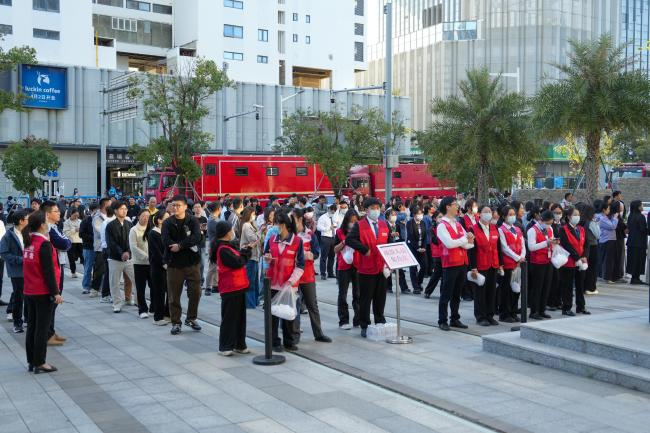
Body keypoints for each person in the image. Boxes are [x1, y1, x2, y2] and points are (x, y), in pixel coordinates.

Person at [23, 211, 64, 374]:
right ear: (41, 225)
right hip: (43, 291)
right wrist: (56, 293)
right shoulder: (44, 244)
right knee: (42, 328)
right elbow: (48, 271)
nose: (48, 223)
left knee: (32, 326)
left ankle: (31, 360)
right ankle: (40, 362)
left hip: (30, 290)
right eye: (46, 221)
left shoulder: (29, 241)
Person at [346, 198, 390, 338]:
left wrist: (390, 263)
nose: (376, 210)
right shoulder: (360, 225)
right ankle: (364, 324)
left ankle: (380, 320)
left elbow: (389, 243)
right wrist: (364, 250)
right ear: (366, 210)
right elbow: (349, 240)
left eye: (377, 207)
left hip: (381, 267)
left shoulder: (384, 224)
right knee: (365, 298)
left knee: (380, 297)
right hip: (366, 268)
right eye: (373, 208)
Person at [162, 195, 203, 335]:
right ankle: (176, 322)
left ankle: (191, 318)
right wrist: (178, 245)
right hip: (174, 264)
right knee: (174, 294)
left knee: (196, 292)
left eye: (178, 205)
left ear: (185, 206)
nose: (175, 208)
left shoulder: (193, 220)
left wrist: (180, 246)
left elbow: (197, 237)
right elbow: (165, 239)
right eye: (173, 205)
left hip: (192, 262)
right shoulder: (167, 222)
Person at [263, 211, 304, 351]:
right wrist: (267, 258)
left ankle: (289, 341)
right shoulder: (272, 239)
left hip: (289, 284)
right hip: (272, 283)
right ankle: (274, 342)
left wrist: (292, 281)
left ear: (284, 225)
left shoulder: (297, 241)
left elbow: (300, 264)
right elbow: (266, 254)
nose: (275, 227)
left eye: (277, 224)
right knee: (272, 316)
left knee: (288, 315)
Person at [211, 220, 251, 356]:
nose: (233, 232)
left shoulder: (228, 246)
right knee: (229, 319)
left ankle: (239, 344)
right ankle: (225, 346)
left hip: (238, 287)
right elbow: (238, 262)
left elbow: (238, 258)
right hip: (230, 288)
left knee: (240, 319)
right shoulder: (223, 249)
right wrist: (247, 252)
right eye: (231, 229)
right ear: (227, 232)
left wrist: (245, 250)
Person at [293, 208, 331, 343]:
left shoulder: (310, 234)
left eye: (293, 219)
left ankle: (318, 333)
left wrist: (311, 255)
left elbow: (316, 252)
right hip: (293, 276)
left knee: (312, 305)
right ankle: (294, 335)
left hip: (307, 275)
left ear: (300, 219)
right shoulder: (289, 235)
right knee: (295, 305)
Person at [436, 197, 473, 330]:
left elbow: (468, 244)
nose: (457, 207)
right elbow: (449, 244)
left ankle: (455, 318)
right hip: (450, 263)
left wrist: (467, 240)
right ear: (447, 207)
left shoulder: (457, 224)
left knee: (457, 293)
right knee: (446, 293)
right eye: (455, 204)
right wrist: (465, 239)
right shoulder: (442, 225)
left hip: (462, 262)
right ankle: (442, 320)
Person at [42, 201, 71, 347]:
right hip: (53, 266)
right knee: (52, 299)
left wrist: (66, 241)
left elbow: (66, 242)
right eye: (56, 211)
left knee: (55, 300)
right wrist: (66, 241)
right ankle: (47, 334)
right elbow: (64, 243)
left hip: (59, 263)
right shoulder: (47, 229)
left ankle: (51, 332)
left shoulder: (55, 227)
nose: (59, 213)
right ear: (47, 214)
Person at [468, 205, 501, 326]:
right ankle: (481, 316)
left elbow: (498, 247)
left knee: (491, 291)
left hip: (493, 264)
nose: (488, 213)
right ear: (480, 214)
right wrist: (473, 267)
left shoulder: (494, 227)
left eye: (490, 211)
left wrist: (500, 264)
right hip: (480, 265)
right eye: (485, 211)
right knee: (480, 292)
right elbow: (471, 250)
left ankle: (489, 315)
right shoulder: (473, 229)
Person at [0, 210, 29, 333]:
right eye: (27, 219)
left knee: (29, 296)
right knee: (19, 296)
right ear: (21, 221)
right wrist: (20, 259)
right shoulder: (8, 236)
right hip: (17, 271)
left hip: (30, 269)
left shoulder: (29, 233)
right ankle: (17, 323)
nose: (29, 221)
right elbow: (4, 253)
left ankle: (28, 319)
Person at [498, 205, 526, 323]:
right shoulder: (501, 229)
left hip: (519, 264)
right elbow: (504, 248)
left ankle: (513, 311)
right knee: (506, 290)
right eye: (510, 215)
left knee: (516, 289)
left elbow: (522, 244)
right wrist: (517, 258)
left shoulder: (517, 229)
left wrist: (522, 256)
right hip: (508, 263)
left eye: (513, 214)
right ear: (504, 216)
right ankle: (505, 313)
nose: (512, 216)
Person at [106, 201, 135, 313]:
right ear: (115, 211)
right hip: (115, 258)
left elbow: (131, 240)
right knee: (115, 282)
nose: (124, 211)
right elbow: (111, 243)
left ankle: (130, 299)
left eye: (125, 209)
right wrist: (121, 253)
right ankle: (117, 303)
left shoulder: (129, 224)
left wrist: (128, 252)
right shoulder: (110, 225)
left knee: (134, 279)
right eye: (122, 209)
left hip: (129, 258)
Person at [559, 206, 589, 316]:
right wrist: (577, 257)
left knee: (580, 285)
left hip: (581, 261)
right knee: (568, 286)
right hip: (569, 261)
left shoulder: (581, 229)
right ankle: (566, 308)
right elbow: (566, 245)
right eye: (575, 215)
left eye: (578, 215)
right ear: (568, 217)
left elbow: (586, 244)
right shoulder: (563, 229)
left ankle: (581, 307)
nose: (577, 217)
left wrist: (585, 256)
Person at [527, 210, 556, 320]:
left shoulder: (550, 229)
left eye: (550, 223)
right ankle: (534, 311)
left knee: (546, 287)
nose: (549, 225)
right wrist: (546, 243)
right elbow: (531, 247)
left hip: (548, 260)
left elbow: (551, 240)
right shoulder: (532, 230)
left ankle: (542, 310)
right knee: (537, 287)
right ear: (541, 220)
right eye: (547, 223)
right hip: (537, 263)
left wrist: (554, 243)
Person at [334, 209, 360, 329]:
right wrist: (344, 242)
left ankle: (358, 319)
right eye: (351, 221)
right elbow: (335, 249)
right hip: (343, 266)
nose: (353, 223)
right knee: (342, 294)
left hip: (357, 265)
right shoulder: (339, 232)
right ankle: (343, 320)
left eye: (355, 221)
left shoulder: (359, 232)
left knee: (358, 293)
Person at [148, 211, 170, 325]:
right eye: (166, 218)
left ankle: (167, 314)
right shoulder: (153, 233)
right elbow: (156, 252)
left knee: (170, 291)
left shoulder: (167, 232)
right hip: (158, 267)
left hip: (168, 266)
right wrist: (164, 263)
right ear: (159, 220)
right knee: (159, 292)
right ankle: (158, 318)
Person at [129, 209, 152, 318]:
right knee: (140, 287)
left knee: (154, 286)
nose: (146, 218)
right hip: (140, 263)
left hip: (152, 263)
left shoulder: (152, 229)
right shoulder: (134, 230)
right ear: (138, 217)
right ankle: (142, 309)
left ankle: (153, 307)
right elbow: (133, 247)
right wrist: (146, 256)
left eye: (148, 216)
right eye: (143, 216)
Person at [239, 206, 261, 308]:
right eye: (253, 214)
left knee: (255, 281)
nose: (254, 216)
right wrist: (260, 233)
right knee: (250, 281)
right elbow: (253, 239)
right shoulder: (246, 225)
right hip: (249, 257)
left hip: (254, 256)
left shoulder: (251, 224)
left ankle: (255, 302)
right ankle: (250, 303)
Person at [91, 198, 111, 299]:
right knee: (99, 269)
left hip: (110, 247)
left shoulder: (111, 216)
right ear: (105, 205)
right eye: (110, 204)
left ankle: (107, 291)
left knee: (109, 270)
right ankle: (94, 289)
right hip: (100, 247)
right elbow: (100, 232)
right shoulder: (97, 217)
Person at [406, 206, 428, 294]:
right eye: (419, 213)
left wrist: (423, 247)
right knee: (413, 268)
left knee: (424, 266)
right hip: (413, 247)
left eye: (421, 213)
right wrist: (417, 248)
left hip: (421, 247)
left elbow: (425, 236)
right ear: (414, 214)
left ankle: (419, 282)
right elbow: (411, 236)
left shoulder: (423, 222)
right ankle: (415, 287)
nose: (420, 215)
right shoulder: (409, 223)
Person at [626, 200, 648, 285]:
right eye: (641, 205)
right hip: (639, 242)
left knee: (633, 260)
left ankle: (634, 278)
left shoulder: (630, 216)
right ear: (638, 207)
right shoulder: (641, 216)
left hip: (631, 241)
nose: (642, 206)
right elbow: (643, 229)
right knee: (639, 260)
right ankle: (636, 278)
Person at [580, 204, 600, 295]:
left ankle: (584, 287)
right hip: (592, 246)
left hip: (584, 247)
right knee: (592, 268)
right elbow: (598, 235)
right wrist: (596, 224)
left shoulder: (581, 222)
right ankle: (591, 287)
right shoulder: (591, 223)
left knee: (585, 267)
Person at [79, 203, 98, 294]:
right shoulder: (86, 221)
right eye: (96, 211)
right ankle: (86, 286)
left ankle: (96, 286)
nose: (98, 212)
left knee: (98, 269)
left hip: (99, 248)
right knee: (88, 268)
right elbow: (81, 234)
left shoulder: (102, 221)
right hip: (88, 247)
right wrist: (93, 238)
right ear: (91, 211)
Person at [424, 211, 443, 298]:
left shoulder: (445, 227)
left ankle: (443, 293)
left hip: (445, 254)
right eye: (439, 217)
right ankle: (428, 291)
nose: (441, 218)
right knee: (436, 274)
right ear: (435, 218)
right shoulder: (432, 228)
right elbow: (434, 240)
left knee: (445, 275)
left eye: (442, 216)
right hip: (437, 254)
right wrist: (443, 237)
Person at [317, 204, 338, 280]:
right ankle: (323, 273)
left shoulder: (335, 216)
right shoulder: (323, 217)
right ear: (329, 209)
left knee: (332, 256)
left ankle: (330, 273)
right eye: (332, 211)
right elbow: (318, 227)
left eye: (334, 211)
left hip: (333, 237)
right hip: (325, 237)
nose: (333, 212)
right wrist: (328, 228)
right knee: (324, 256)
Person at [204, 201, 222, 295]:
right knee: (212, 267)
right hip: (214, 245)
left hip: (216, 245)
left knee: (216, 266)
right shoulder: (213, 220)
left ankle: (215, 285)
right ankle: (208, 286)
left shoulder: (215, 219)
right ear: (218, 209)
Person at [598, 202, 618, 284]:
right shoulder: (602, 218)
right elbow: (612, 226)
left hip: (609, 240)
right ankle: (607, 277)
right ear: (604, 210)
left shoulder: (605, 217)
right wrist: (615, 218)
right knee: (608, 260)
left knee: (608, 259)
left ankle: (605, 276)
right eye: (608, 209)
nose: (609, 210)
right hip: (607, 240)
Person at [193, 201, 209, 290]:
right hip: (193, 244)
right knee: (194, 263)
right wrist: (200, 230)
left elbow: (205, 232)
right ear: (193, 209)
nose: (198, 208)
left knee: (202, 263)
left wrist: (199, 231)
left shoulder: (204, 219)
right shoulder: (191, 219)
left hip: (202, 243)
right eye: (196, 207)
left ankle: (201, 280)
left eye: (199, 207)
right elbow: (190, 232)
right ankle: (193, 280)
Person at [63, 209, 83, 279]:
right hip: (71, 241)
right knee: (71, 258)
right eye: (75, 215)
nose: (76, 217)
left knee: (83, 257)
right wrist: (75, 230)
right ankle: (73, 272)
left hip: (80, 241)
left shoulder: (80, 221)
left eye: (77, 216)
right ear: (71, 214)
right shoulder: (66, 222)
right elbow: (65, 233)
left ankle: (87, 271)